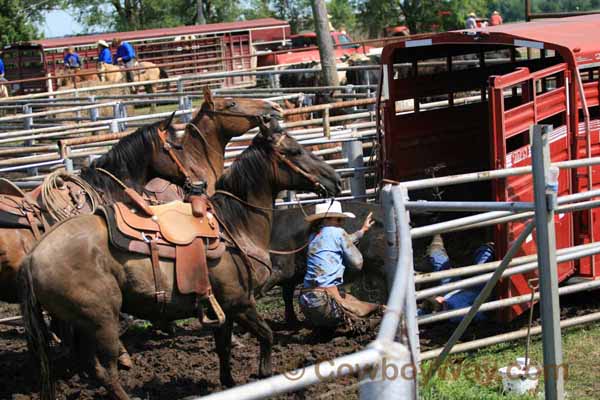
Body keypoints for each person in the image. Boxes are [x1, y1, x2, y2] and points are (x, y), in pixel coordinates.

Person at [299, 200, 383, 329]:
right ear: (327, 219)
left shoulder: (313, 236)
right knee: (375, 308)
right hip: (325, 301)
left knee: (350, 299)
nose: (341, 223)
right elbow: (357, 262)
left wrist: (362, 230)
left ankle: (325, 327)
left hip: (306, 301)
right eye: (339, 219)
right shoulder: (338, 232)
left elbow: (344, 240)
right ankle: (363, 324)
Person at [419, 234, 495, 323]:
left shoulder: (441, 304)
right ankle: (487, 250)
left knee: (444, 270)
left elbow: (417, 314)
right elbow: (481, 316)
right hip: (480, 291)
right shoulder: (458, 314)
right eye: (440, 302)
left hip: (454, 291)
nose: (439, 299)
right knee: (482, 273)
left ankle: (435, 250)